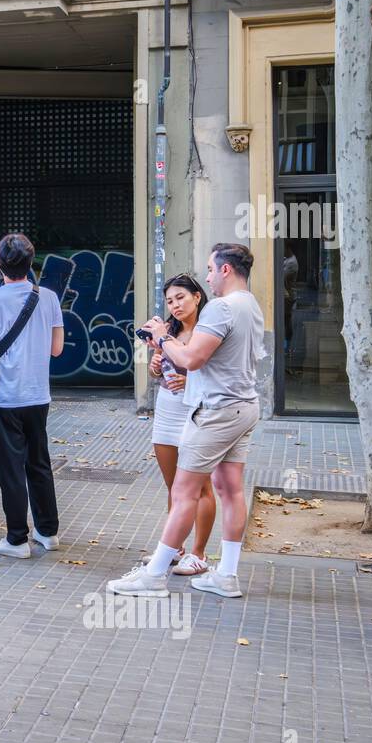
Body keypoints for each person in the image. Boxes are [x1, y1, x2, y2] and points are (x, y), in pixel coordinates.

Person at [108, 242, 265, 599]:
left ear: (226, 270)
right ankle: (226, 575)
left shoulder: (221, 309)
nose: (208, 277)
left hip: (215, 411)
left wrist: (163, 338)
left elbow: (192, 359)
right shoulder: (250, 305)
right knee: (230, 489)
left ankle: (155, 575)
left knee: (184, 492)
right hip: (244, 406)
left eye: (210, 270)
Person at [0, 234, 65, 560]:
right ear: (30, 263)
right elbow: (57, 348)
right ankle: (48, 532)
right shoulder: (47, 297)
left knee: (10, 471)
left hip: (5, 398)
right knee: (39, 463)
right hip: (39, 396)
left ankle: (17, 539)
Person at [148, 274, 217, 574]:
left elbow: (217, 375)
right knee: (174, 486)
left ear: (197, 296)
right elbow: (160, 370)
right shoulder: (168, 332)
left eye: (181, 297)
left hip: (197, 411)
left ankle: (199, 554)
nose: (175, 305)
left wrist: (188, 380)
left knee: (200, 487)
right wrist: (154, 367)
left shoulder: (210, 330)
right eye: (170, 301)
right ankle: (175, 548)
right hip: (167, 408)